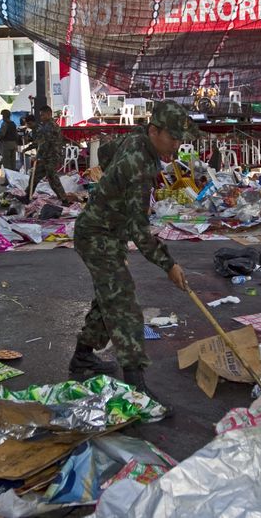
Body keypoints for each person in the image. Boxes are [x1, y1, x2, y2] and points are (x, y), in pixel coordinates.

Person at [69, 101, 197, 410]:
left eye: (181, 139)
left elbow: (105, 153)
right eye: (172, 138)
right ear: (154, 131)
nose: (177, 146)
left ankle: (83, 358)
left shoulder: (138, 138)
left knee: (108, 299)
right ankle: (136, 390)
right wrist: (169, 264)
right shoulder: (140, 164)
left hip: (106, 233)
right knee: (124, 305)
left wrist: (111, 184)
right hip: (98, 235)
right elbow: (139, 230)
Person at [25, 105, 72, 203]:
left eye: (43, 115)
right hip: (46, 156)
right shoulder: (47, 125)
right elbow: (41, 141)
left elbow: (44, 143)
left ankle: (64, 199)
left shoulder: (50, 126)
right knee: (35, 175)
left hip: (51, 156)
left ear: (49, 114)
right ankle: (27, 195)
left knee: (52, 179)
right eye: (40, 115)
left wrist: (37, 156)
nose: (41, 117)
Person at [0, 109, 18, 179]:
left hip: (7, 144)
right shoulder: (13, 124)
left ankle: (8, 180)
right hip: (14, 144)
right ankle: (13, 179)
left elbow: (2, 134)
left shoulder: (5, 123)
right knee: (13, 163)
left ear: (4, 116)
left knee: (7, 163)